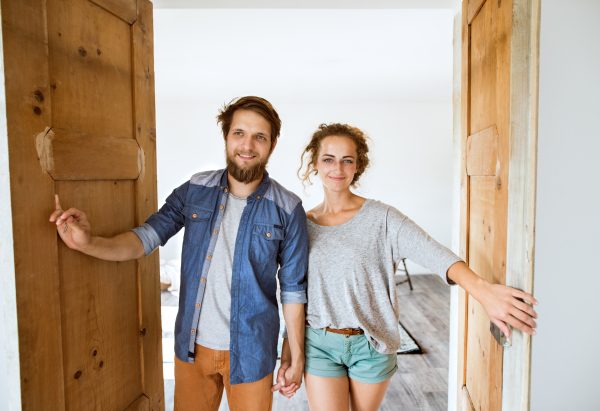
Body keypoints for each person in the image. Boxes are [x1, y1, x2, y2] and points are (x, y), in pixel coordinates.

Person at [49, 96, 308, 411]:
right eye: (239, 133)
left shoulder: (288, 207)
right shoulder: (195, 189)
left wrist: (295, 355)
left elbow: (294, 291)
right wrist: (88, 243)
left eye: (260, 136)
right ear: (227, 136)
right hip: (191, 350)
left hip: (253, 353)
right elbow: (146, 237)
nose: (247, 144)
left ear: (273, 144)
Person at [275, 123, 539, 411]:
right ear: (315, 163)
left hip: (371, 345)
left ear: (357, 165)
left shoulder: (383, 218)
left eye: (347, 159)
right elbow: (294, 291)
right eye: (328, 158)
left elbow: (435, 254)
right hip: (319, 343)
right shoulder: (300, 223)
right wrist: (290, 351)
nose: (337, 167)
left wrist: (483, 291)